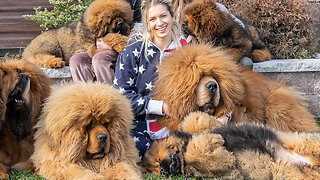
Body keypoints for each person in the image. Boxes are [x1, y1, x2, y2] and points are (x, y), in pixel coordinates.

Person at [113, 0, 187, 160]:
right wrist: (160, 107)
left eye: (163, 16)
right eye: (152, 19)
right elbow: (121, 96)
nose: (159, 23)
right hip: (140, 124)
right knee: (137, 149)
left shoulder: (186, 50)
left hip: (178, 122)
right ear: (146, 23)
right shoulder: (132, 52)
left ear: (172, 16)